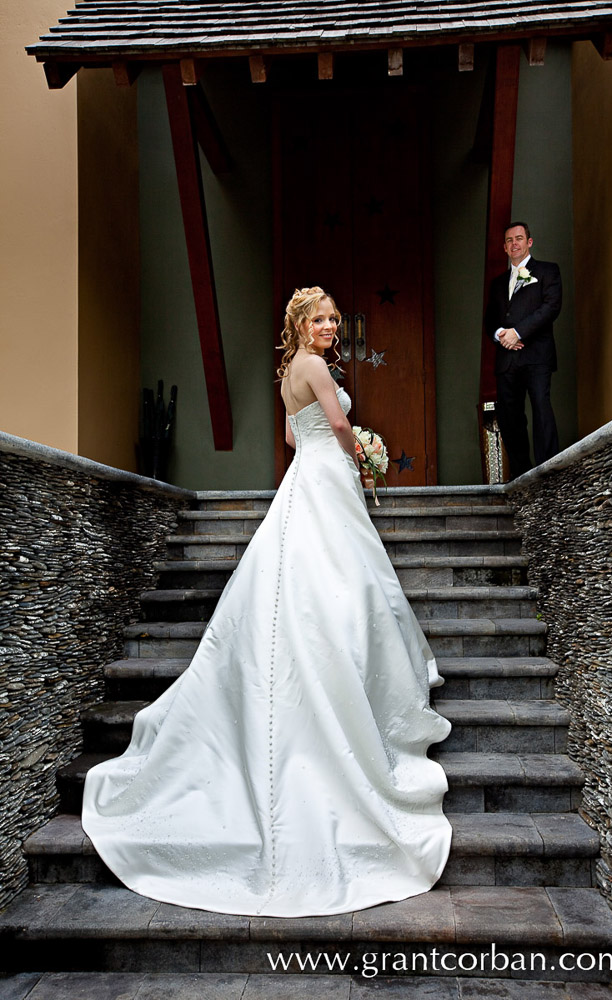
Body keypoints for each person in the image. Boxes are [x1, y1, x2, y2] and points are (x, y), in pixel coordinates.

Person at [81, 286, 452, 918]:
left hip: (304, 475)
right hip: (326, 476)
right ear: (301, 324)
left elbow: (291, 435)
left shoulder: (288, 374)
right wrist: (362, 454)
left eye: (335, 318)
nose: (331, 326)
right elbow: (335, 424)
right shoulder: (315, 368)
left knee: (319, 574)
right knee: (341, 576)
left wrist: (339, 450)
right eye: (322, 318)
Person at [485, 222, 562, 479]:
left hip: (536, 356)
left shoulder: (548, 272)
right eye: (509, 241)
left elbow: (550, 308)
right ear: (504, 248)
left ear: (529, 242)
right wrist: (500, 335)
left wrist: (517, 332)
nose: (514, 244)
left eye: (519, 238)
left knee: (541, 407)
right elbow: (490, 320)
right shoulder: (497, 283)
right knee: (510, 418)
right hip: (507, 359)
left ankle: (547, 470)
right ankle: (522, 475)